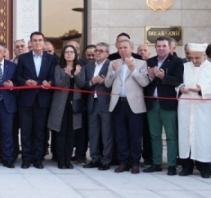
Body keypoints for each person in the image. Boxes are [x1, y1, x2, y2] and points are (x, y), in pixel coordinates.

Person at [176, 43, 211, 178]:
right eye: (191, 58)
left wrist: (202, 90)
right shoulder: (185, 67)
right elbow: (177, 83)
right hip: (186, 108)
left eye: (197, 58)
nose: (194, 61)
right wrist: (180, 88)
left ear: (204, 55)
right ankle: (186, 166)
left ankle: (204, 167)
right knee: (185, 137)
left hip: (204, 109)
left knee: (203, 137)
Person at [14, 31, 56, 169]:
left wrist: (49, 82)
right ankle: (26, 159)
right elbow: (17, 77)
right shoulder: (23, 58)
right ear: (31, 43)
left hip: (43, 100)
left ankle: (38, 159)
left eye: (40, 40)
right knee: (26, 131)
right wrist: (25, 82)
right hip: (26, 100)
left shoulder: (51, 59)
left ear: (43, 42)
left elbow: (53, 77)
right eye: (35, 40)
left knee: (40, 131)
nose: (37, 43)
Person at [107, 40, 150, 174]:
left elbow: (144, 83)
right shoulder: (113, 63)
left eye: (125, 47)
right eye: (120, 48)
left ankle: (135, 162)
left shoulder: (141, 63)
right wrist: (113, 72)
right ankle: (123, 162)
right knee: (120, 135)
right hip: (118, 103)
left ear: (131, 48)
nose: (123, 50)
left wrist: (133, 70)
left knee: (135, 135)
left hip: (134, 104)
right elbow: (107, 84)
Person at [144, 36, 184, 175]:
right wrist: (150, 77)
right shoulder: (150, 61)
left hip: (168, 103)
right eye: (158, 46)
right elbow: (144, 83)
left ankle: (172, 164)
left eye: (164, 46)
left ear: (170, 47)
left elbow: (179, 80)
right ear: (155, 47)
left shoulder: (177, 61)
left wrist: (163, 77)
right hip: (152, 103)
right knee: (154, 135)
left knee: (171, 135)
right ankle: (156, 163)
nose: (161, 48)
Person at [77, 42, 114, 170]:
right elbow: (83, 84)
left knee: (106, 133)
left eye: (101, 51)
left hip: (106, 103)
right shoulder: (88, 66)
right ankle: (94, 158)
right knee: (93, 133)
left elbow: (114, 83)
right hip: (92, 103)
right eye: (96, 50)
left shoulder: (111, 65)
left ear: (107, 53)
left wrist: (104, 81)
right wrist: (92, 81)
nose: (97, 53)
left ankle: (106, 160)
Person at [49, 45, 84, 169]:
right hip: (60, 105)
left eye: (71, 52)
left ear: (75, 54)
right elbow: (59, 85)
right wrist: (67, 75)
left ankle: (68, 160)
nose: (69, 54)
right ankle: (61, 161)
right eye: (67, 52)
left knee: (71, 134)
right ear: (63, 54)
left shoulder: (80, 67)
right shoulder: (58, 68)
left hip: (74, 105)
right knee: (61, 133)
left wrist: (77, 75)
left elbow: (82, 84)